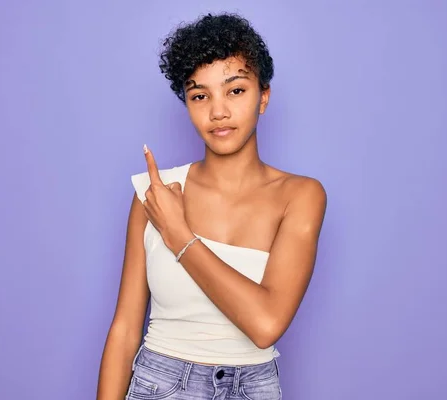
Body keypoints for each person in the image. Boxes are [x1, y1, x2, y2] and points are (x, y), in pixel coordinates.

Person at [97, 12, 327, 400]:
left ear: (263, 97)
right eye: (200, 95)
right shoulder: (155, 194)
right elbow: (124, 328)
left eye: (235, 90)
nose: (218, 111)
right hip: (161, 384)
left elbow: (265, 325)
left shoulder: (300, 196)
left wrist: (179, 235)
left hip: (253, 387)